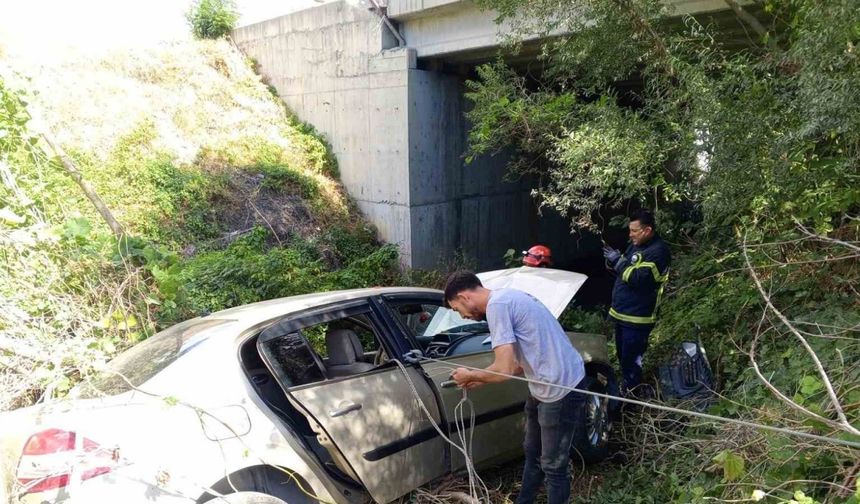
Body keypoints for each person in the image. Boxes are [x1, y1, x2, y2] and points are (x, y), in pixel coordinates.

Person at [444, 271, 585, 504]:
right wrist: (481, 379)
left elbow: (505, 369)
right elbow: (520, 363)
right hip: (544, 385)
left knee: (553, 464)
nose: (463, 316)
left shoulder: (497, 307)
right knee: (532, 452)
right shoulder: (506, 298)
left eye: (458, 310)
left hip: (561, 389)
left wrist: (471, 374)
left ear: (464, 297)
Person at [601, 209, 671, 396]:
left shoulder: (659, 252)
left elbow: (640, 279)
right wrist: (614, 262)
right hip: (621, 314)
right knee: (623, 357)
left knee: (631, 362)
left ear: (647, 230)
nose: (630, 234)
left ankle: (633, 397)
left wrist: (618, 262)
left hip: (638, 317)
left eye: (634, 231)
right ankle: (629, 389)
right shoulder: (636, 245)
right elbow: (626, 268)